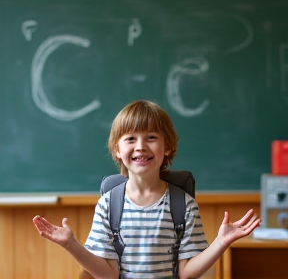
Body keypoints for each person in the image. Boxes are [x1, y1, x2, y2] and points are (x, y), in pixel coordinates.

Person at [33, 100, 261, 279]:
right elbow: (107, 274)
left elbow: (187, 273)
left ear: (168, 146)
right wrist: (71, 245)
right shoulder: (108, 205)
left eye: (151, 137)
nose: (141, 146)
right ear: (117, 151)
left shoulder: (183, 204)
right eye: (131, 139)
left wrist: (220, 243)